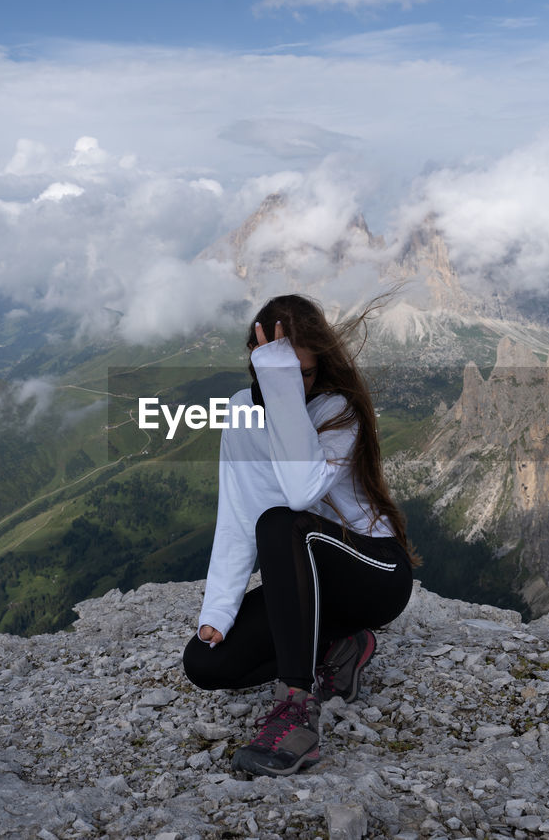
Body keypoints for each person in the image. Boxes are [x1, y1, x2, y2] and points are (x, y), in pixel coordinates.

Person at [182, 293, 418, 778]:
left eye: (303, 373)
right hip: (310, 585)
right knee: (205, 665)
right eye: (277, 370)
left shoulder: (338, 411)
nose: (295, 383)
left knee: (283, 524)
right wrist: (219, 611)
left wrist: (283, 384)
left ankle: (296, 713)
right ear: (255, 360)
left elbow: (299, 490)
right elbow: (235, 515)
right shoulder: (242, 412)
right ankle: (341, 647)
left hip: (374, 572)